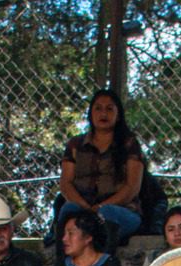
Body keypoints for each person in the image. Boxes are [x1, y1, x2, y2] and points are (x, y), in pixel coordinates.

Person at [49, 90, 145, 249]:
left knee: (106, 215)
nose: (103, 113)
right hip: (82, 207)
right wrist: (86, 208)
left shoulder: (129, 144)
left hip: (121, 210)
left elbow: (132, 187)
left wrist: (100, 208)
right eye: (98, 108)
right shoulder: (75, 145)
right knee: (68, 209)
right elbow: (66, 184)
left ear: (118, 114)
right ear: (90, 114)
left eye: (109, 109)